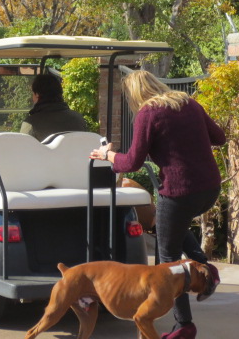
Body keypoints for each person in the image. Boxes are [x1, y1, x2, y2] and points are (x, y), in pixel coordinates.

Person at [90, 70, 224, 339]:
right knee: (171, 230)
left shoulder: (148, 113)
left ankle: (184, 325)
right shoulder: (189, 103)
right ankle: (206, 270)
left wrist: (108, 154)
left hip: (179, 192)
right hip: (209, 188)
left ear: (135, 94)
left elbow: (132, 163)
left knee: (167, 262)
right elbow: (219, 137)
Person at [20, 73, 88, 141]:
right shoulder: (79, 119)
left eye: (32, 94)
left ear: (37, 94)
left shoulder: (31, 124)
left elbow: (22, 149)